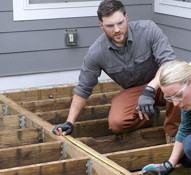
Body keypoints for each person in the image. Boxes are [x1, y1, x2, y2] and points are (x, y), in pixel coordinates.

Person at [52, 0, 180, 142]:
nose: (117, 29)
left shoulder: (148, 29)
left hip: (162, 83)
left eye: (120, 23)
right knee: (117, 123)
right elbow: (83, 89)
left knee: (180, 79)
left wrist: (150, 89)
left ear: (126, 17)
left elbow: (169, 63)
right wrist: (70, 122)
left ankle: (174, 132)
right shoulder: (96, 52)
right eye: (110, 26)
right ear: (101, 25)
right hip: (135, 92)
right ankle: (151, 116)